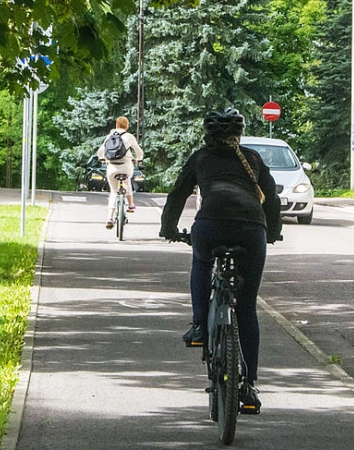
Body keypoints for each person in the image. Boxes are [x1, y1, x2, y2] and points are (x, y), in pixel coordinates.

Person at [159, 107, 282, 413]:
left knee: (201, 263)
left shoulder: (200, 158)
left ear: (208, 134)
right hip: (252, 231)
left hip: (210, 226)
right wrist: (273, 233)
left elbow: (177, 194)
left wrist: (169, 229)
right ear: (238, 136)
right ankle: (249, 387)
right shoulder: (252, 158)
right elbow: (272, 199)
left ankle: (200, 326)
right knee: (247, 308)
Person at [97, 116, 144, 229]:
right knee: (127, 182)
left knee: (113, 192)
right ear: (126, 126)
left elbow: (100, 152)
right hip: (126, 166)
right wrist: (139, 159)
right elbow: (139, 151)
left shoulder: (109, 136)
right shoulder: (129, 137)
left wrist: (102, 158)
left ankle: (109, 218)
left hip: (112, 167)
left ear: (116, 125)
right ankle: (131, 205)